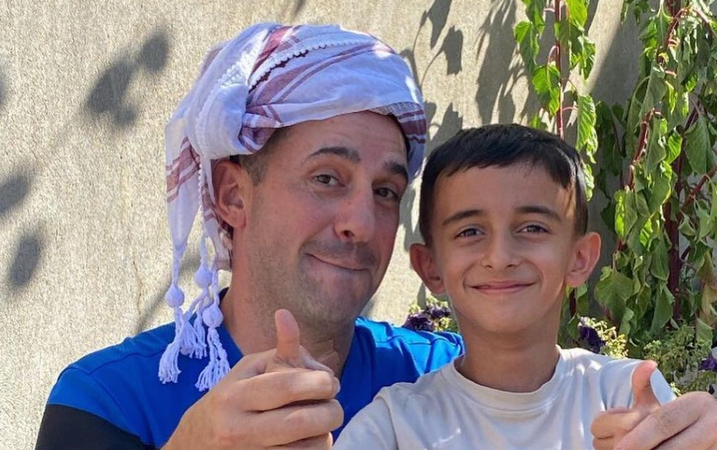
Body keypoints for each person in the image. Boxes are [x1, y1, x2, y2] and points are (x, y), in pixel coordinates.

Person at [36, 23, 463, 450]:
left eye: (386, 191)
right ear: (233, 196)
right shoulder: (107, 401)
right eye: (326, 178)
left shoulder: (446, 378)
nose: (363, 223)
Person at [333, 124, 717, 450]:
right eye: (470, 231)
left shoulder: (625, 394)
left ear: (580, 258)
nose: (500, 256)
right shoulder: (393, 426)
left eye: (532, 228)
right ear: (430, 267)